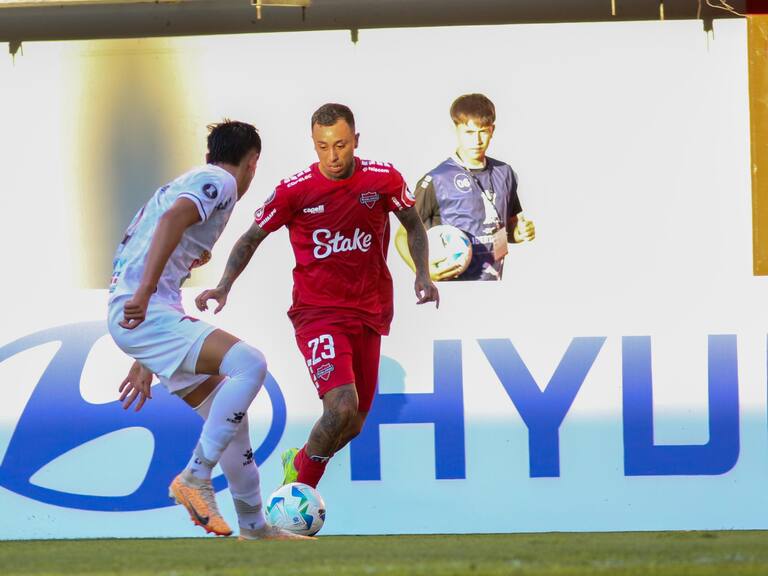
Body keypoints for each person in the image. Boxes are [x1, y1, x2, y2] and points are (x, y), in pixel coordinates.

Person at [196, 103, 439, 490]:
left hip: (370, 311)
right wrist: (224, 285)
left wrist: (422, 273)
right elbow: (251, 237)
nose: (333, 156)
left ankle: (301, 461)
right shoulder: (295, 190)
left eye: (340, 145)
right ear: (313, 144)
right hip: (318, 313)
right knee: (341, 406)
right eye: (322, 147)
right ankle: (299, 493)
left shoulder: (383, 179)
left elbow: (413, 224)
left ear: (355, 140)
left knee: (353, 423)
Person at [107, 120, 308, 541]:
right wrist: (144, 294)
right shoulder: (221, 181)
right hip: (146, 312)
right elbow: (170, 222)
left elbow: (159, 247)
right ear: (252, 163)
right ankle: (195, 476)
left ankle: (254, 527)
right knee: (249, 364)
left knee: (231, 422)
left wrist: (144, 357)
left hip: (149, 318)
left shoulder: (195, 180)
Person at [401, 93, 536, 281]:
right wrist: (424, 273)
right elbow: (402, 235)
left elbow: (505, 227)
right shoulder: (437, 179)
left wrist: (519, 233)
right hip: (453, 289)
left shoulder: (505, 173)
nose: (477, 140)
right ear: (456, 130)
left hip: (494, 286)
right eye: (469, 132)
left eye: (483, 131)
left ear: (492, 130)